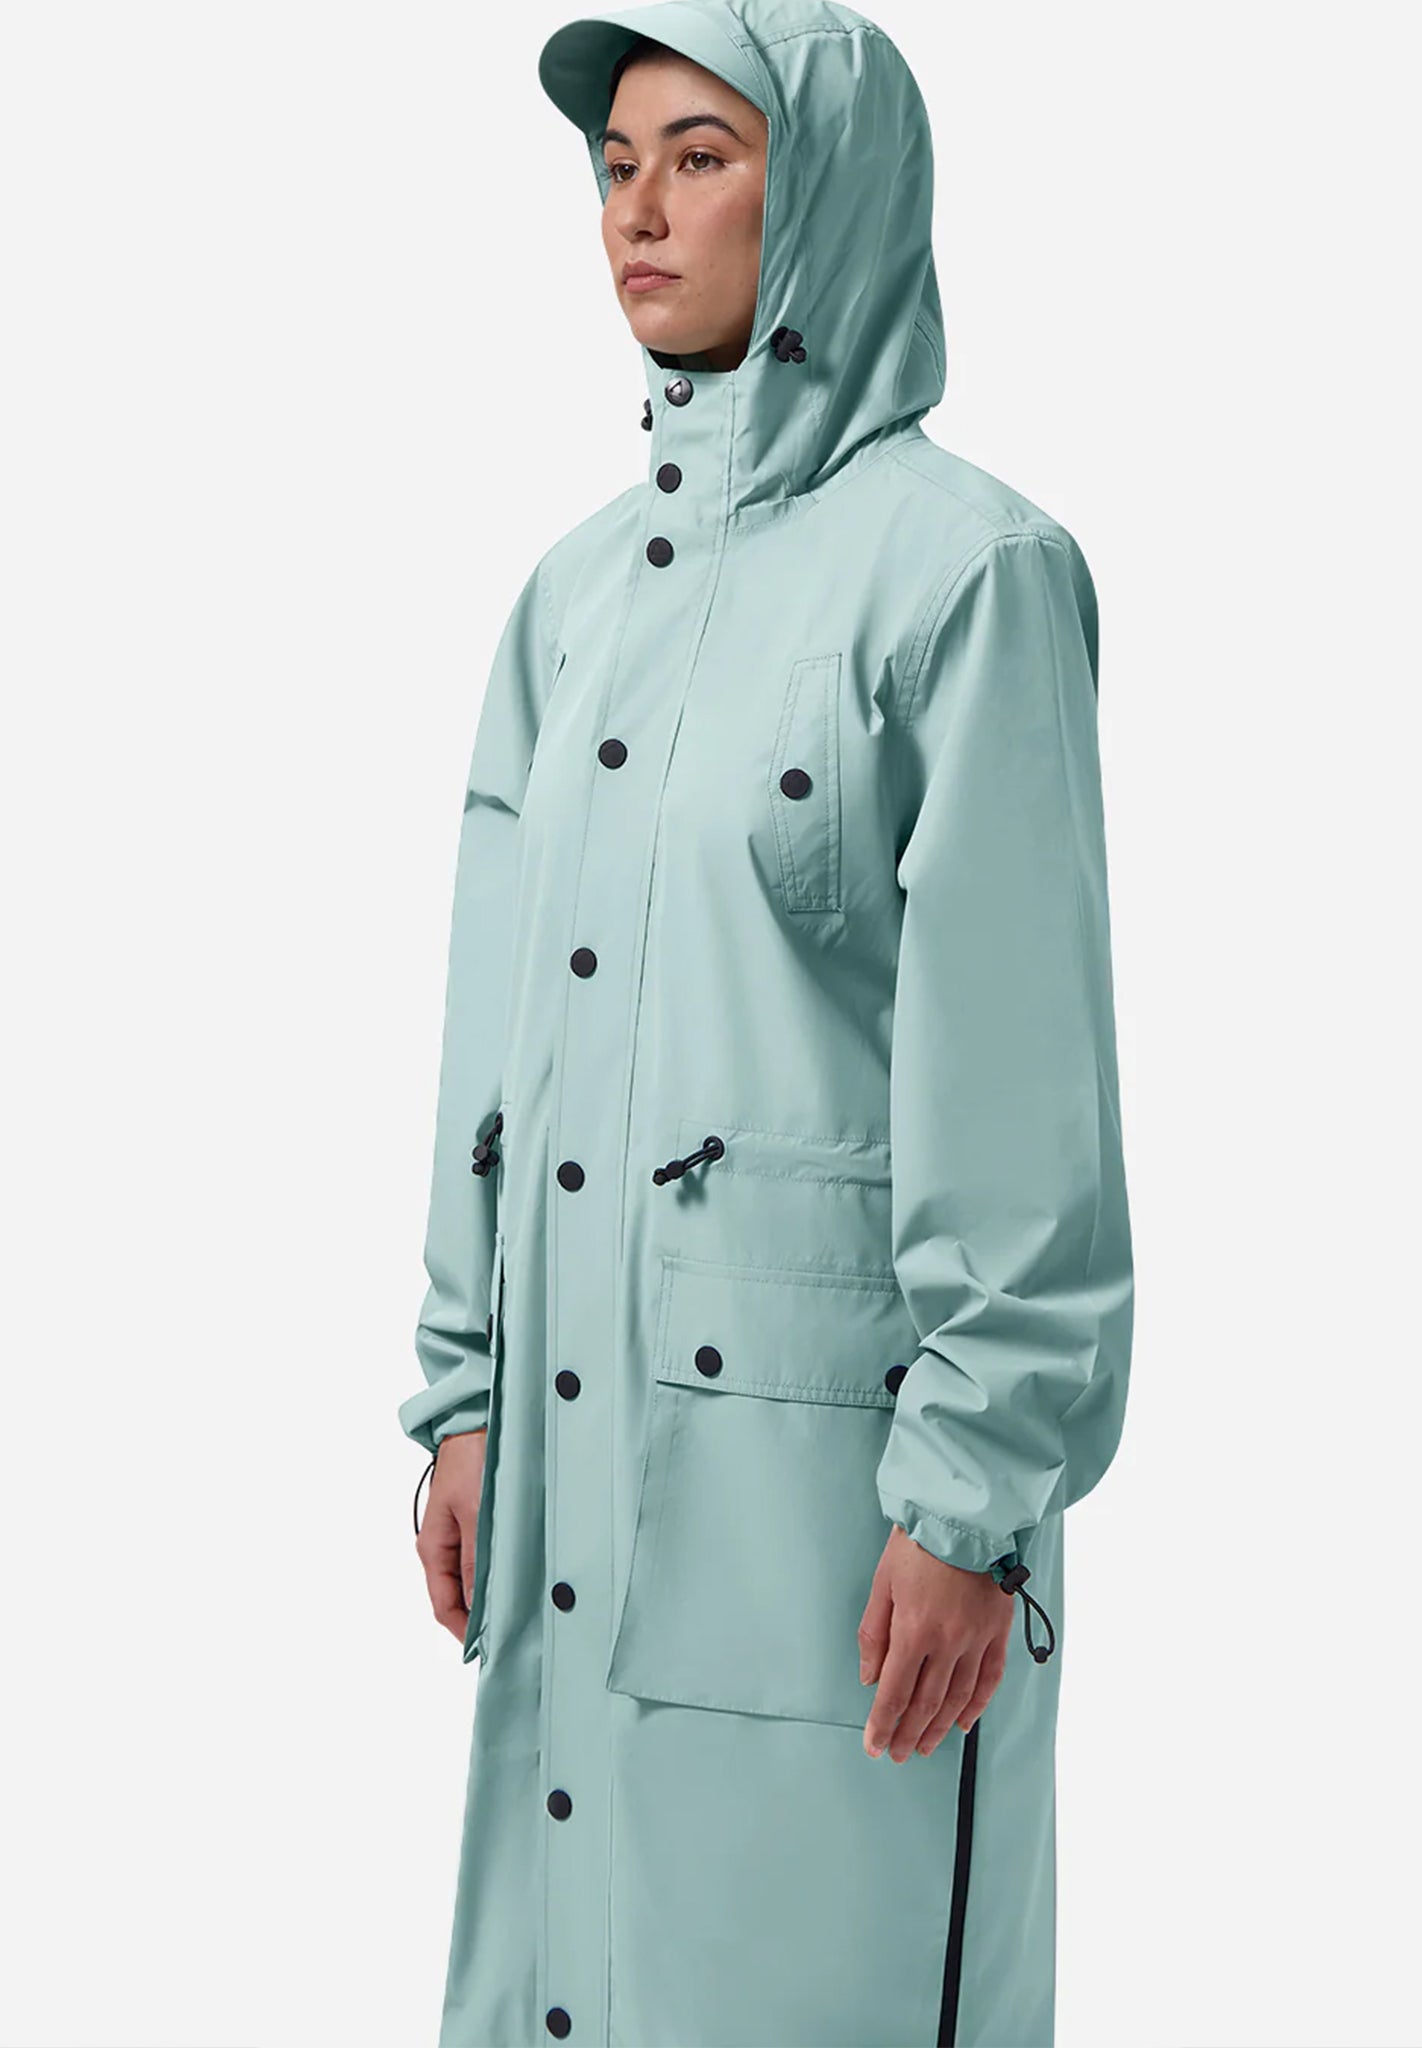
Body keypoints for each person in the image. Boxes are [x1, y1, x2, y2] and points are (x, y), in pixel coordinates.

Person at [400, 2, 1133, 2043]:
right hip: (571, 1458)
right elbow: (490, 1039)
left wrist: (971, 1498)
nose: (637, 210)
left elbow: (1023, 1080)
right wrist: (464, 1391)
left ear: (828, 194)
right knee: (574, 1981)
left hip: (834, 1510)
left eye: (701, 156)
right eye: (614, 165)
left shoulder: (968, 575)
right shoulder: (571, 602)